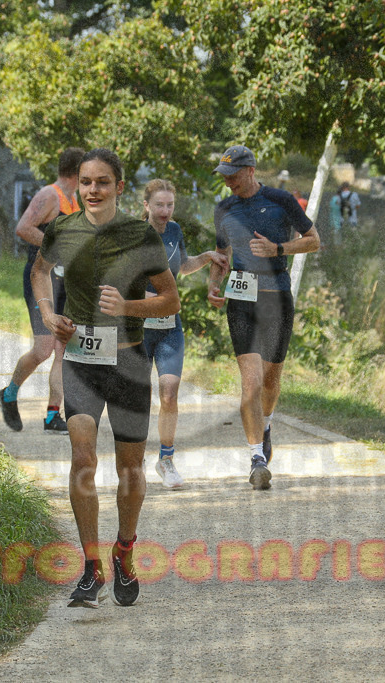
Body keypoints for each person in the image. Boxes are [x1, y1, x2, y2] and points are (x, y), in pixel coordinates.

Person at [31, 148, 179, 608]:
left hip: (129, 364)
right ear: (77, 185)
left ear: (118, 186)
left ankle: (124, 549)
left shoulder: (140, 236)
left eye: (102, 182)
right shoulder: (63, 228)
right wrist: (49, 312)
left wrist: (129, 307)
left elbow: (171, 301)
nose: (92, 190)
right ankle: (91, 566)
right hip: (80, 363)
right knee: (82, 461)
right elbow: (39, 271)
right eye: (86, 182)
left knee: (130, 471)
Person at [207, 145, 320, 490]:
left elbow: (314, 241)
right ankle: (257, 457)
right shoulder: (223, 208)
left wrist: (279, 249)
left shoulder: (281, 200)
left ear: (251, 170)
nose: (228, 183)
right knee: (252, 383)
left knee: (270, 383)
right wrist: (213, 285)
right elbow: (221, 254)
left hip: (276, 299)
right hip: (241, 299)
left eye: (233, 176)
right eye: (223, 177)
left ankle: (266, 424)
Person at [140, 179, 228, 489]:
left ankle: (166, 460)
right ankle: (132, 459)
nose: (165, 211)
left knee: (169, 393)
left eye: (170, 205)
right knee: (138, 396)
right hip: (138, 328)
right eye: (159, 205)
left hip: (169, 328)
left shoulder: (175, 231)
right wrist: (150, 300)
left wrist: (205, 258)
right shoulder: (135, 235)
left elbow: (180, 267)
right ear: (147, 206)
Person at [0, 147, 84, 435]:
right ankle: (9, 393)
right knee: (44, 349)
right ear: (78, 170)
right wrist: (55, 249)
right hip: (41, 278)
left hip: (65, 281)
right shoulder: (50, 195)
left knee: (64, 348)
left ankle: (52, 415)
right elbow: (23, 228)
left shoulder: (74, 200)